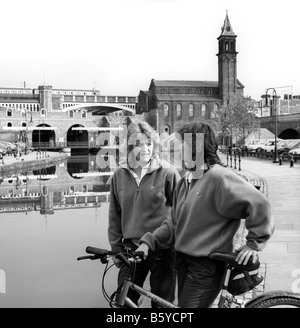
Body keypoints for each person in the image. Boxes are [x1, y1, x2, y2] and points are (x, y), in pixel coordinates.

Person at [136, 121, 275, 308]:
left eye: (182, 145)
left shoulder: (219, 178)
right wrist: (148, 242)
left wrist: (254, 243)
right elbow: (174, 223)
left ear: (196, 147)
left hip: (206, 266)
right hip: (184, 262)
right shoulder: (186, 180)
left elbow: (260, 204)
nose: (178, 150)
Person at [108, 120, 181, 307]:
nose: (145, 149)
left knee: (162, 306)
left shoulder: (168, 173)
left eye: (149, 143)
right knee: (124, 303)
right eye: (139, 144)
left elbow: (181, 213)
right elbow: (114, 215)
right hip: (130, 250)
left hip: (162, 250)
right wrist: (116, 249)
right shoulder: (119, 174)